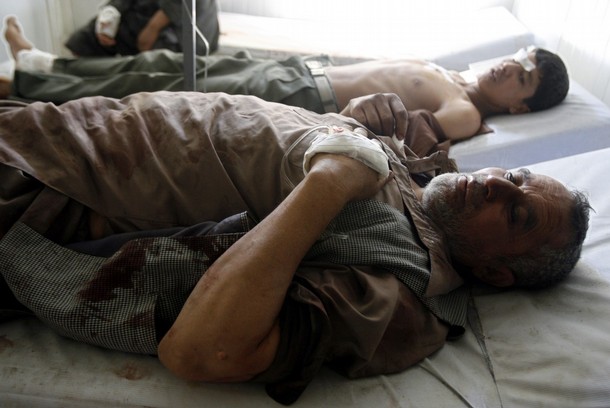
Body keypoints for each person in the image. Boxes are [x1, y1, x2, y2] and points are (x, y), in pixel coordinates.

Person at [0, 91, 590, 404]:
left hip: (40, 191)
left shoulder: (400, 290)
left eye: (516, 214)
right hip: (58, 126)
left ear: (497, 272)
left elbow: (206, 353)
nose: (495, 183)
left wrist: (329, 182)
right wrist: (355, 120)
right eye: (515, 176)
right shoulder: (422, 181)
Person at [0, 16, 569, 142]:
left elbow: (405, 138)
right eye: (518, 58)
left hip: (301, 94)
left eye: (522, 77)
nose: (509, 67)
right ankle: (40, 66)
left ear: (520, 107)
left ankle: (21, 91)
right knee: (167, 65)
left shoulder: (465, 112)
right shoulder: (449, 73)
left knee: (158, 90)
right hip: (302, 71)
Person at [64, 0, 220, 57]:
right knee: (84, 40)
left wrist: (153, 28)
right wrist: (110, 14)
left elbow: (147, 39)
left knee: (160, 57)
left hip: (184, 35)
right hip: (154, 15)